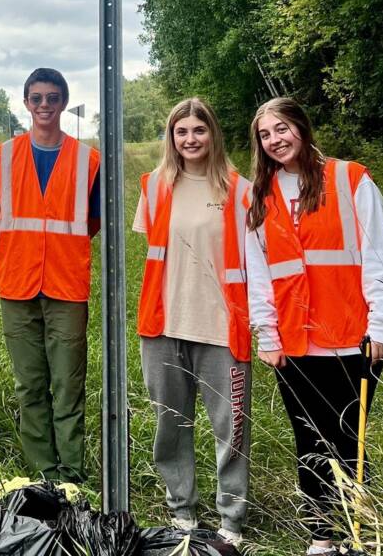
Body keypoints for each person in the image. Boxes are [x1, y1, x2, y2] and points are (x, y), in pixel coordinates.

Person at [245, 97, 383, 556]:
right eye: (265, 134)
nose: (275, 140)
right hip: (293, 341)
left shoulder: (350, 178)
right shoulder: (262, 194)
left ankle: (359, 530)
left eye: (282, 129)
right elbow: (259, 271)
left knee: (348, 438)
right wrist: (267, 332)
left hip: (353, 336)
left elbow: (379, 256)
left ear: (301, 126)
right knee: (308, 438)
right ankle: (322, 535)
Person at [134, 98, 251, 546]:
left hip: (222, 329)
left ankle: (231, 519)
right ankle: (181, 509)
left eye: (198, 131)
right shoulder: (155, 186)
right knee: (171, 422)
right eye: (181, 132)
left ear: (212, 134)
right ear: (172, 138)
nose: (190, 140)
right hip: (164, 325)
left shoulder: (240, 190)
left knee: (232, 427)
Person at [0, 68, 101, 484]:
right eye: (37, 98)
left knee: (68, 383)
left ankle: (70, 473)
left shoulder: (90, 161)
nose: (45, 106)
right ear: (26, 103)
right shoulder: (3, 156)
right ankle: (42, 472)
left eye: (52, 98)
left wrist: (58, 251)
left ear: (64, 102)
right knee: (29, 384)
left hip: (67, 285)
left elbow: (92, 221)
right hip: (18, 283)